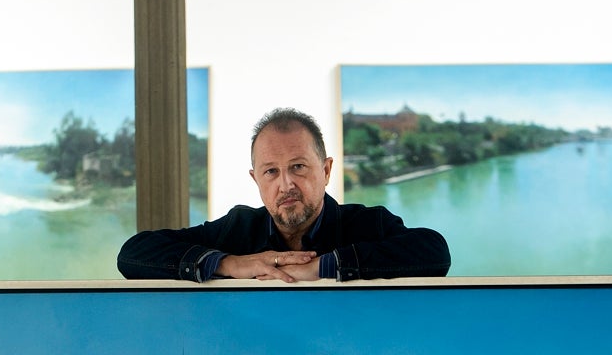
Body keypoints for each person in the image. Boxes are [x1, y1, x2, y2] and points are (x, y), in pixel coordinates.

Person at [117, 107, 451, 282]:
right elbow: (133, 255)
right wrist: (231, 265)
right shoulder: (236, 229)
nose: (286, 184)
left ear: (326, 170)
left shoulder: (369, 224)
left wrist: (324, 267)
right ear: (256, 180)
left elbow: (435, 253)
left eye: (299, 167)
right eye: (271, 172)